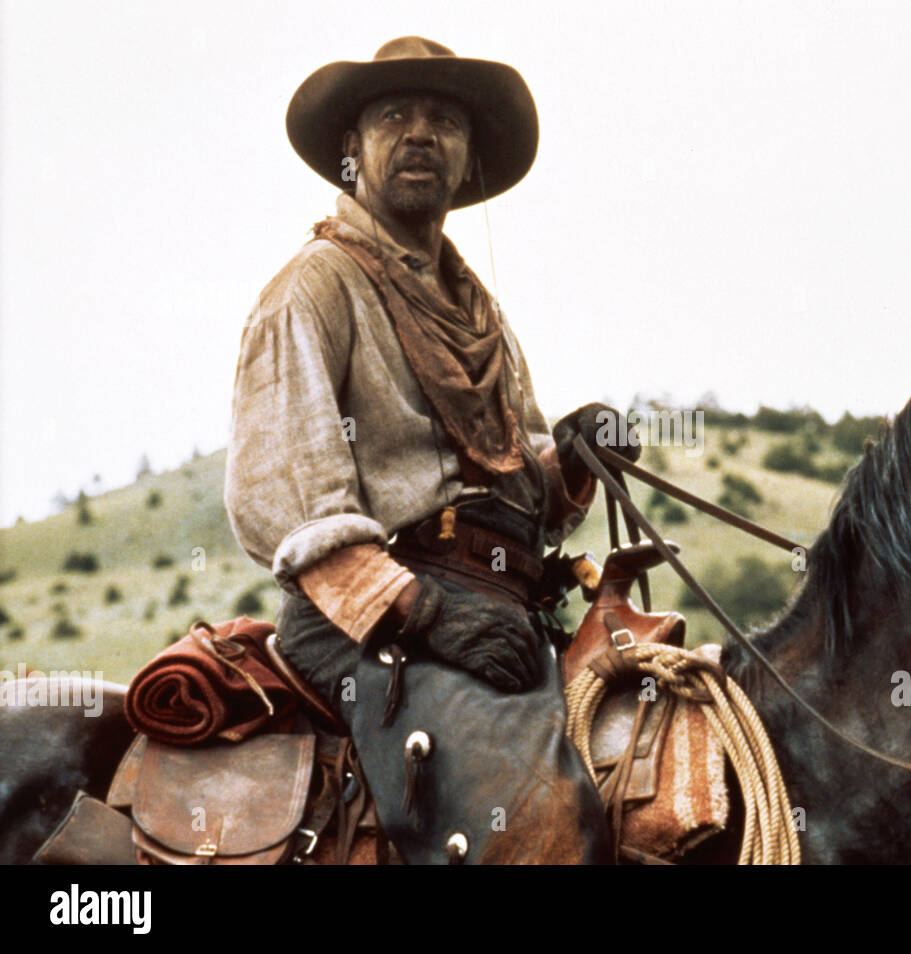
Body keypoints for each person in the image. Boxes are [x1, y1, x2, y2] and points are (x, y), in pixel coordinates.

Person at [223, 36, 639, 863]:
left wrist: (572, 460)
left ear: (467, 155)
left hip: (502, 613)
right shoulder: (315, 287)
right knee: (544, 817)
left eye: (444, 121)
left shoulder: (479, 313)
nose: (421, 134)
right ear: (353, 151)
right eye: (394, 118)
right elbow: (283, 500)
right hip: (366, 627)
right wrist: (427, 613)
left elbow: (512, 481)